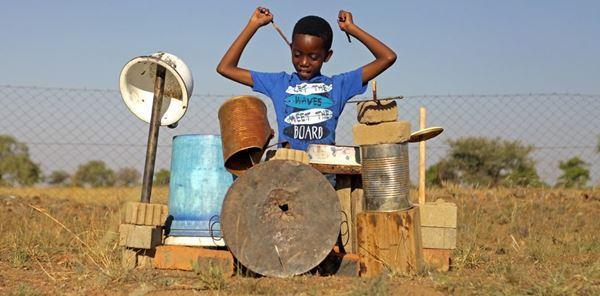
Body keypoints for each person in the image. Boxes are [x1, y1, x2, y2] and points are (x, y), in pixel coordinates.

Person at [217, 7, 396, 151]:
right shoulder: (279, 83)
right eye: (297, 54)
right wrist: (253, 25)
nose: (304, 62)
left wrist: (352, 29)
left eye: (313, 57)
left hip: (323, 179)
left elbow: (387, 57)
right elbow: (225, 68)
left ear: (327, 56)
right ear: (291, 49)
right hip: (285, 175)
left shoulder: (338, 86)